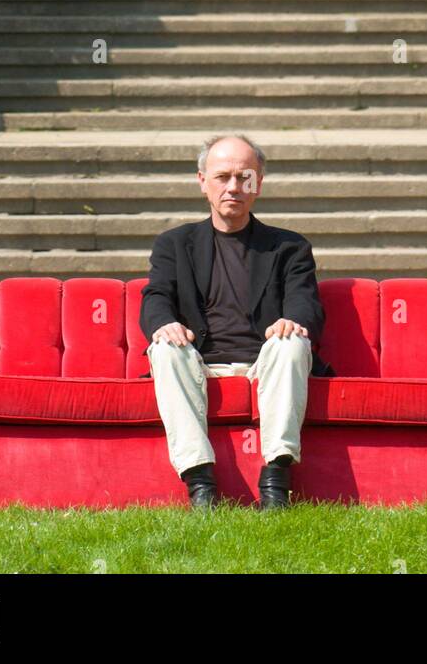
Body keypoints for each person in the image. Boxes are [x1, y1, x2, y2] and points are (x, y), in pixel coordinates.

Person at [139, 133, 335, 511]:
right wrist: (164, 324)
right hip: (198, 363)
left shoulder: (289, 247)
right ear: (202, 182)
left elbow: (306, 302)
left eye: (245, 177)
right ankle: (200, 483)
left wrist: (291, 321)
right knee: (164, 347)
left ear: (258, 183)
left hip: (267, 364)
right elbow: (156, 296)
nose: (234, 187)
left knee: (292, 341)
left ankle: (276, 479)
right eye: (222, 177)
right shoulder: (174, 244)